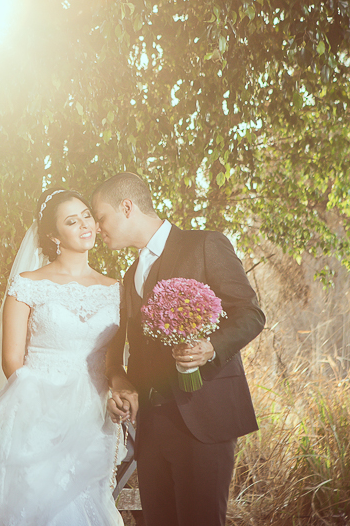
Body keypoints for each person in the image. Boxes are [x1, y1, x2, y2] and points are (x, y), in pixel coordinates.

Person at [0, 188, 126, 526]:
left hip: (92, 417)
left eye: (87, 216)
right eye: (71, 221)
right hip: (35, 419)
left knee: (85, 506)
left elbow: (115, 362)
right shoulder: (27, 284)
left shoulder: (115, 289)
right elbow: (12, 360)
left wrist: (117, 393)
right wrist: (46, 412)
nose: (84, 225)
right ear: (53, 235)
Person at [91, 172, 266, 526]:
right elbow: (122, 347)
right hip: (153, 427)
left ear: (127, 208)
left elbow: (250, 314)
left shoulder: (205, 245)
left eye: (101, 217)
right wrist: (120, 379)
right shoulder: (128, 276)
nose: (97, 228)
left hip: (205, 420)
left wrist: (210, 347)